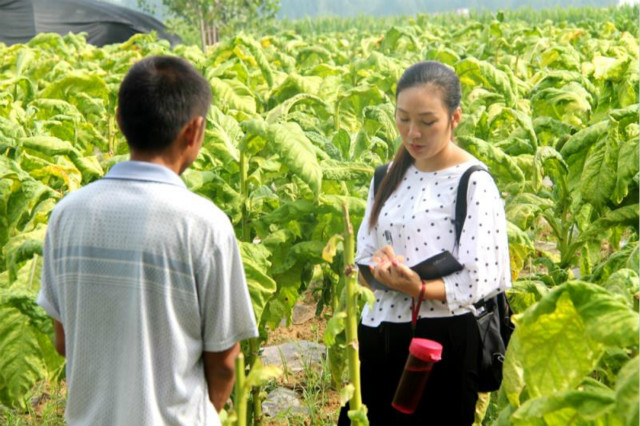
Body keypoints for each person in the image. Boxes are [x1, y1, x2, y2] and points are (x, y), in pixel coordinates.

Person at [36, 56, 258, 426]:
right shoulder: (206, 226)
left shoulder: (66, 215)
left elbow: (64, 342)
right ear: (195, 131)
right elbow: (223, 363)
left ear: (119, 120)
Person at [337, 61, 511, 426]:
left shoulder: (473, 181)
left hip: (442, 343)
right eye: (403, 119)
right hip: (379, 332)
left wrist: (419, 288)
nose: (412, 132)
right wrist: (379, 267)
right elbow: (363, 256)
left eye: (427, 122)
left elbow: (479, 279)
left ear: (455, 117)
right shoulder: (386, 176)